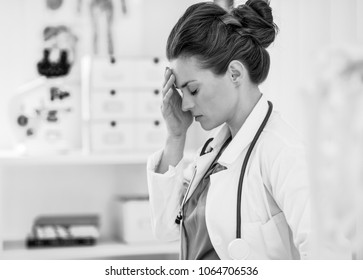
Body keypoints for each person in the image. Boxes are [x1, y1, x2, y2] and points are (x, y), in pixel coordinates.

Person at [146, 0, 310, 260]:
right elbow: (166, 229)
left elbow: (327, 256)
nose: (186, 104)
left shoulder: (284, 152)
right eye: (180, 92)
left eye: (194, 89)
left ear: (234, 73)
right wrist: (175, 135)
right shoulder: (214, 153)